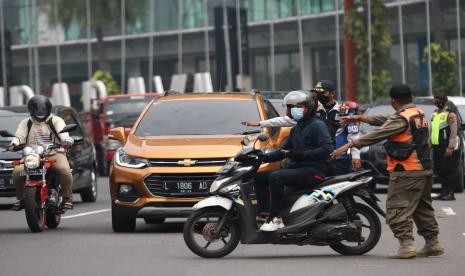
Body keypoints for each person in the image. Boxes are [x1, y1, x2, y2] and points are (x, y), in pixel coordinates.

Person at [332, 84, 443, 259]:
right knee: (423, 208)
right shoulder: (417, 113)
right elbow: (388, 119)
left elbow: (377, 134)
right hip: (424, 169)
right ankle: (433, 243)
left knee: (396, 208)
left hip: (407, 171)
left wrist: (348, 145)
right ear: (410, 98)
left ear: (393, 100)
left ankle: (406, 245)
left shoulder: (401, 119)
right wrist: (359, 118)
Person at [254, 90, 334, 232]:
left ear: (308, 108)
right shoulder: (297, 128)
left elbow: (327, 148)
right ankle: (265, 213)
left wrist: (300, 155)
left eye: (294, 107)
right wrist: (261, 157)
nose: (290, 110)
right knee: (259, 177)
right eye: (289, 107)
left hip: (312, 171)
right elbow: (283, 152)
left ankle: (275, 218)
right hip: (298, 168)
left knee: (276, 177)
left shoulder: (316, 125)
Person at [242, 80, 361, 174]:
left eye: (322, 92)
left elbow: (353, 135)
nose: (318, 95)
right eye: (316, 92)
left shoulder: (344, 111)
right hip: (318, 159)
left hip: (339, 158)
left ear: (332, 93)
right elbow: (287, 120)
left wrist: (356, 156)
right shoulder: (313, 110)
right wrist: (261, 123)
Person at [9, 95, 74, 210]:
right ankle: (21, 199)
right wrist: (14, 144)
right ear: (31, 111)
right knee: (17, 173)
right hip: (32, 155)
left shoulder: (56, 120)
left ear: (48, 109)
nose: (40, 117)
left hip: (54, 153)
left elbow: (63, 133)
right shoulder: (26, 123)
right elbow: (19, 136)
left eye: (43, 113)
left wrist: (66, 140)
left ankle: (67, 198)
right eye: (37, 114)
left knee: (64, 171)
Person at [431, 93, 458, 201]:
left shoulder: (450, 114)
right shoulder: (434, 114)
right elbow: (432, 130)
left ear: (443, 101)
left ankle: (450, 193)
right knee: (439, 170)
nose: (435, 102)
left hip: (445, 146)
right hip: (436, 146)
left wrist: (451, 147)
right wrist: (429, 144)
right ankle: (443, 192)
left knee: (448, 170)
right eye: (434, 100)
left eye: (437, 100)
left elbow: (453, 131)